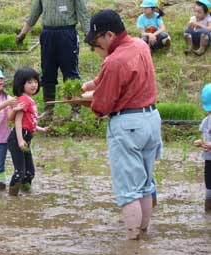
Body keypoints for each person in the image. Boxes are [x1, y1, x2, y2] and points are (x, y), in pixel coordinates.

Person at [82, 10, 162, 240]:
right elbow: (123, 76)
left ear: (108, 35)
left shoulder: (114, 60)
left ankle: (132, 242)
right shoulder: (140, 45)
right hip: (151, 119)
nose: (97, 45)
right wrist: (94, 83)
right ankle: (144, 234)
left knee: (129, 191)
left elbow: (103, 105)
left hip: (128, 124)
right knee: (145, 184)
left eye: (97, 40)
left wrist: (91, 103)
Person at [16, 0, 90, 122]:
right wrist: (22, 33)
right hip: (48, 34)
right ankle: (48, 110)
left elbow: (83, 14)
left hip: (67, 34)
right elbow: (34, 13)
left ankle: (75, 111)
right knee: (47, 72)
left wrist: (89, 35)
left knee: (71, 73)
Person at [8, 67, 48, 196]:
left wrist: (40, 128)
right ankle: (12, 197)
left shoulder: (29, 99)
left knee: (29, 171)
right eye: (29, 82)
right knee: (20, 171)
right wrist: (20, 140)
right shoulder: (24, 100)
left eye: (35, 82)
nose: (34, 85)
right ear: (21, 84)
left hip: (25, 138)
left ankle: (26, 193)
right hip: (18, 138)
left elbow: (29, 120)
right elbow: (18, 121)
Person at [193, 83, 211, 213]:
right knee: (209, 187)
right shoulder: (206, 121)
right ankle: (208, 210)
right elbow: (203, 136)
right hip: (209, 160)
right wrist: (200, 142)